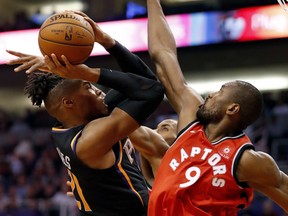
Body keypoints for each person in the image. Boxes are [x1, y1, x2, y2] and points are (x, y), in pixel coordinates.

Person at [7, 11, 165, 216]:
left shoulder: (82, 119)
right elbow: (152, 91)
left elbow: (142, 80)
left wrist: (108, 42)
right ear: (69, 102)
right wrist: (85, 72)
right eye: (88, 87)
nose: (99, 90)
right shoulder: (90, 139)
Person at [146, 0, 288, 215]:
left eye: (220, 92)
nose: (210, 94)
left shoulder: (246, 159)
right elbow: (164, 55)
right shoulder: (191, 122)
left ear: (232, 109)